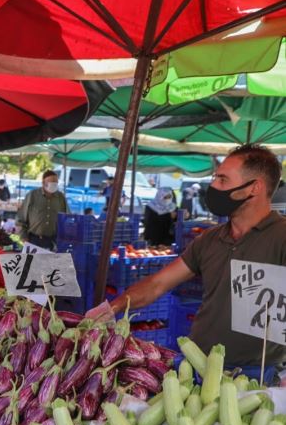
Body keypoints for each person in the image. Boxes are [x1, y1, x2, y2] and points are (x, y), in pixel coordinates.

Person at [91, 144, 286, 380]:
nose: (213, 187)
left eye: (223, 180)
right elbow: (157, 284)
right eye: (215, 179)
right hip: (197, 365)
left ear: (254, 187)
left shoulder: (281, 237)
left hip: (257, 375)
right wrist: (114, 306)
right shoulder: (210, 240)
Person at [16, 170, 68, 250]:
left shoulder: (60, 197)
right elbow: (21, 218)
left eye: (56, 183)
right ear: (43, 183)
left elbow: (67, 218)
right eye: (51, 183)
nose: (54, 185)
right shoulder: (32, 195)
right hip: (34, 240)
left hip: (53, 241)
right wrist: (23, 238)